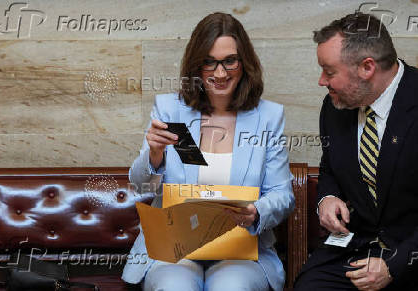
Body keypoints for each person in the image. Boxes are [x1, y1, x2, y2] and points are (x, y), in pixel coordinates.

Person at [121, 12, 295, 291]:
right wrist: (154, 155)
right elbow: (142, 187)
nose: (220, 73)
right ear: (195, 65)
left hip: (240, 251)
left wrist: (256, 211)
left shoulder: (267, 116)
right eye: (209, 62)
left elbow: (283, 196)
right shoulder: (171, 110)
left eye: (230, 61)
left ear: (244, 62)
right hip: (174, 251)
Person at [294, 12, 418, 290]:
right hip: (356, 244)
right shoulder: (335, 107)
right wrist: (326, 197)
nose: (321, 81)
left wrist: (394, 265)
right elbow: (330, 167)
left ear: (367, 67)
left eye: (329, 71)